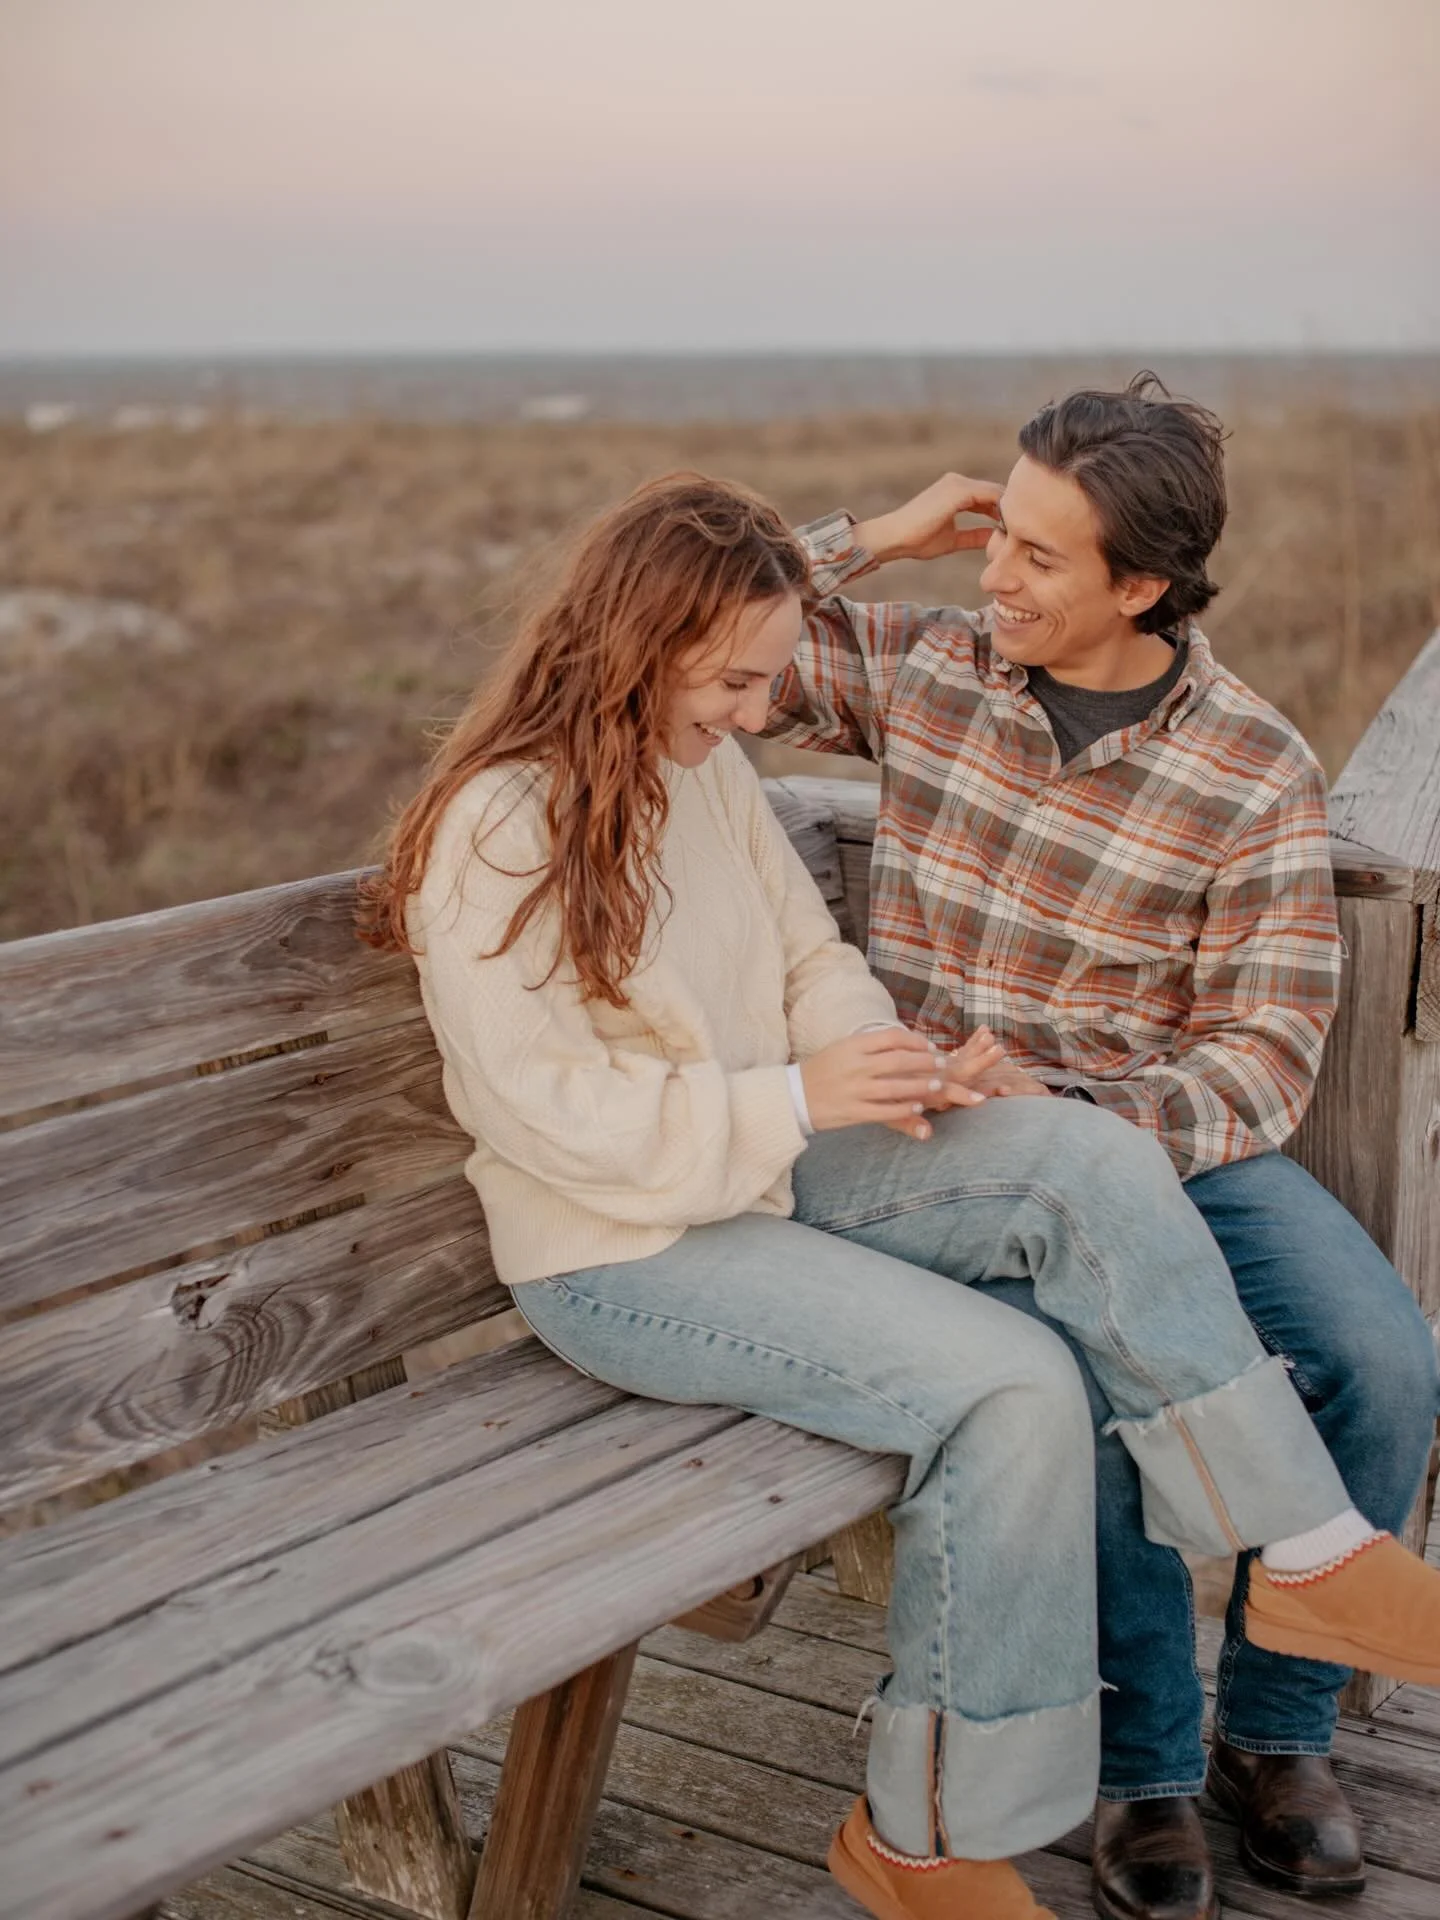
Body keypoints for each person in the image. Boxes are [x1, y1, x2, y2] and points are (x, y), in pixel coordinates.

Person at [361, 473, 1440, 1920]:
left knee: (1090, 1162)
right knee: (1021, 1385)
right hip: (619, 1246)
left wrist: (890, 1066)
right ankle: (935, 1837)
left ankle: (1294, 1561)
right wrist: (806, 1099)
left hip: (776, 1160)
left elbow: (810, 957)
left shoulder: (702, 764)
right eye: (735, 683)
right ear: (636, 646)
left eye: (762, 682)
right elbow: (551, 1118)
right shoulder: (497, 827)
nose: (760, 711)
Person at [766, 376, 1440, 1918]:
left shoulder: (1252, 765)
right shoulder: (927, 667)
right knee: (1082, 1375)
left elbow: (1265, 1053)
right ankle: (1144, 1763)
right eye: (997, 531)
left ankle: (1275, 1738)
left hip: (1163, 1140)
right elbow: (681, 628)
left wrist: (1095, 1129)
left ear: (1143, 589)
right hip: (949, 1156)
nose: (994, 575)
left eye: (1038, 554)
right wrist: (875, 536)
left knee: (1382, 1356)